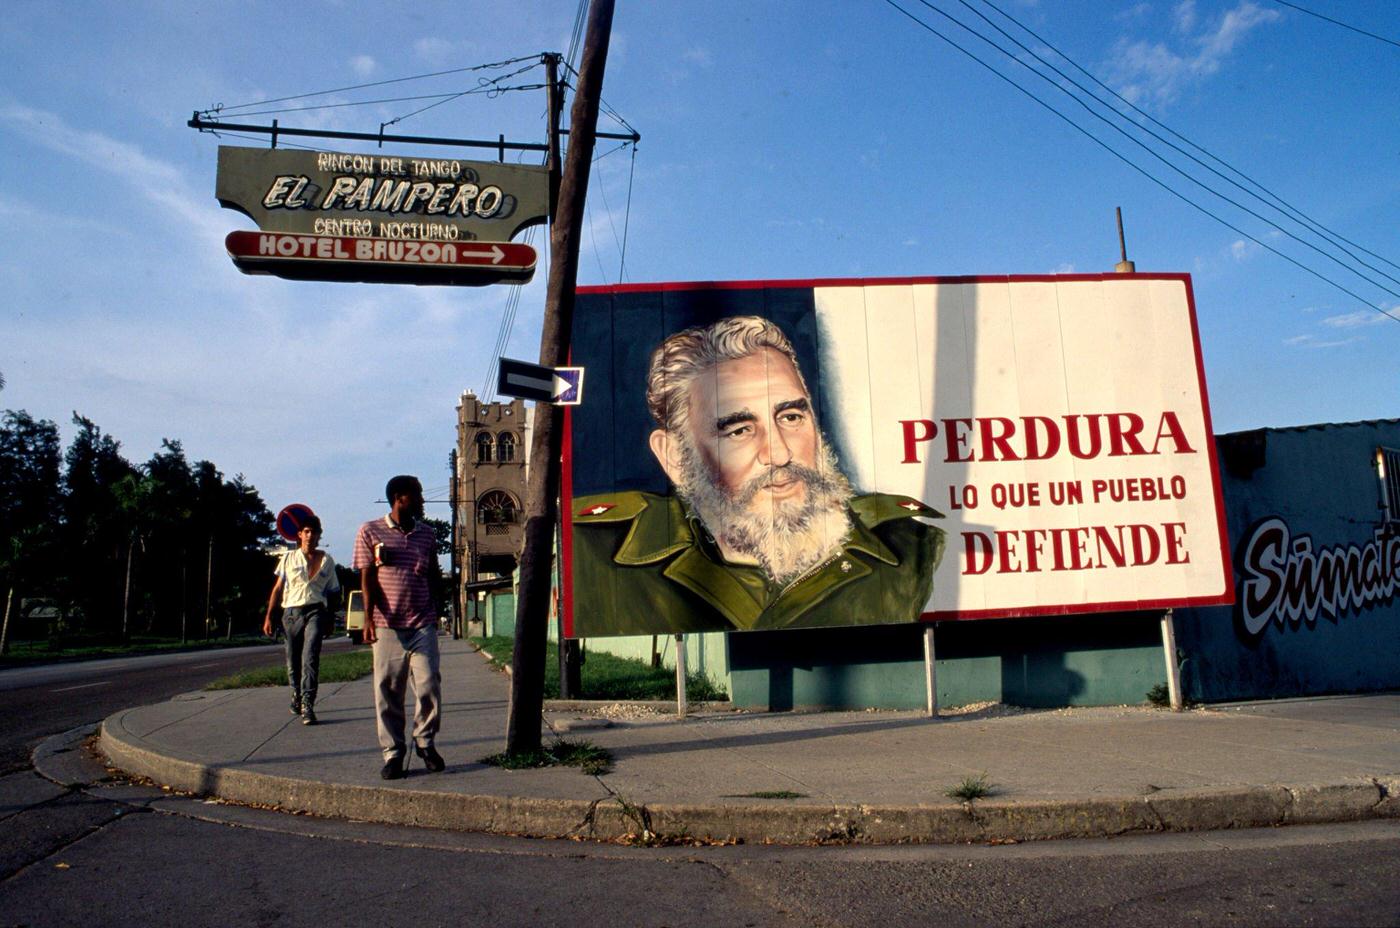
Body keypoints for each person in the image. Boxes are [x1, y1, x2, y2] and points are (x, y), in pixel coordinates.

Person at [572, 315, 945, 635]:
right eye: (739, 430)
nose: (780, 453)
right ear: (674, 457)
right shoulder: (594, 556)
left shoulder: (910, 546)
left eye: (791, 417)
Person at [352, 475, 444, 780]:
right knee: (388, 690)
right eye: (417, 494)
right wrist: (367, 618)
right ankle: (393, 753)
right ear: (400, 498)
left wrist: (436, 610)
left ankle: (425, 741)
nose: (422, 500)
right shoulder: (370, 531)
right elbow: (366, 578)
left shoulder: (427, 534)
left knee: (429, 683)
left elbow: (432, 573)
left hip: (422, 623)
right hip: (386, 625)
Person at [262, 514, 340, 725]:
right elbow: (278, 589)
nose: (310, 536)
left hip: (316, 611)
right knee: (292, 659)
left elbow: (333, 593)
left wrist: (331, 619)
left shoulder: (327, 561)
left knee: (310, 657)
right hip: (291, 613)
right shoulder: (288, 558)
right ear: (299, 535)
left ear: (319, 536)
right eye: (306, 532)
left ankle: (308, 704)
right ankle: (295, 693)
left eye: (314, 532)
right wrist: (270, 616)